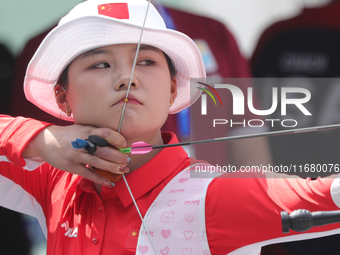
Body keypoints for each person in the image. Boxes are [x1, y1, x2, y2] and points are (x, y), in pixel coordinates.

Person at [1, 1, 340, 254]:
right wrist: (42, 139)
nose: (127, 77)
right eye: (100, 64)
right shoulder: (54, 180)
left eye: (146, 62)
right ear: (62, 98)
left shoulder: (212, 195)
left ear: (174, 90)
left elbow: (325, 195)